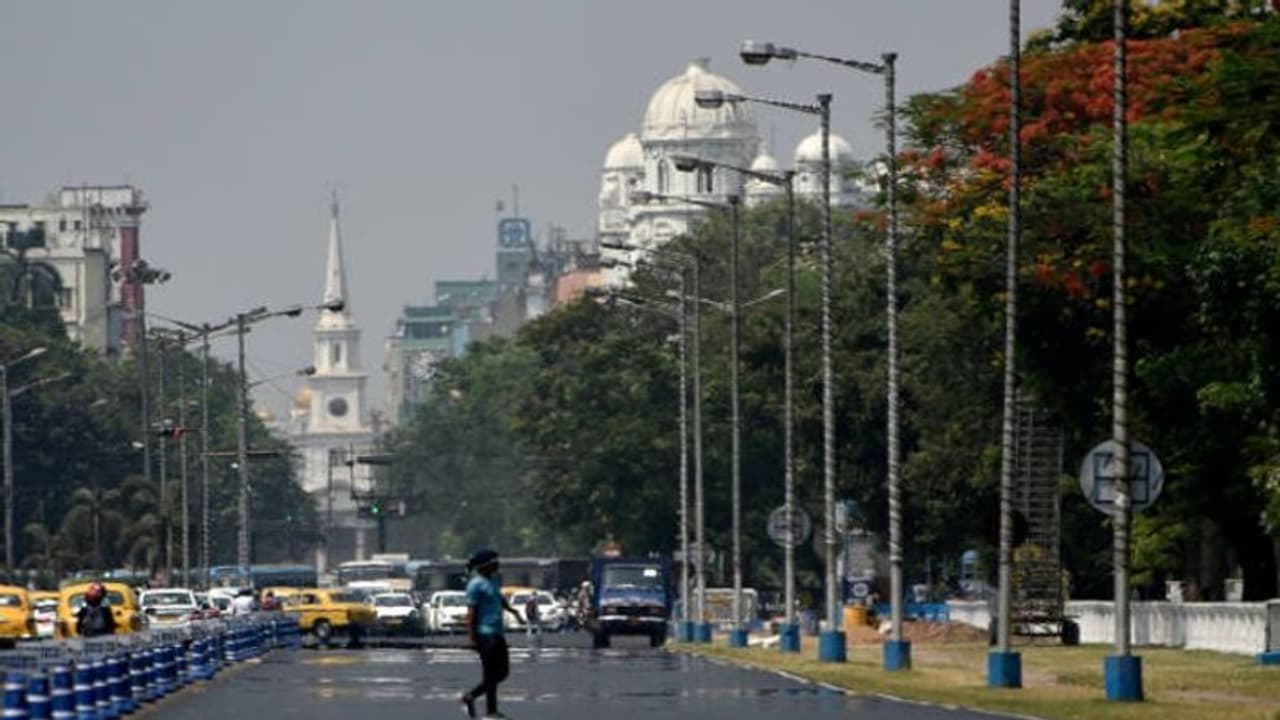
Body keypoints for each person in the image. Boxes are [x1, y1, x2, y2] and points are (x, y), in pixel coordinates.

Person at [459, 549, 521, 720]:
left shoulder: (492, 581)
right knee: (491, 673)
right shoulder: (475, 585)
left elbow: (499, 598)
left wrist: (511, 610)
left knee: (502, 673)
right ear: (485, 565)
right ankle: (490, 711)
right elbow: (471, 613)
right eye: (494, 562)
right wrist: (472, 638)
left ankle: (471, 698)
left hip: (497, 632)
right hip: (485, 633)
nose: (497, 565)